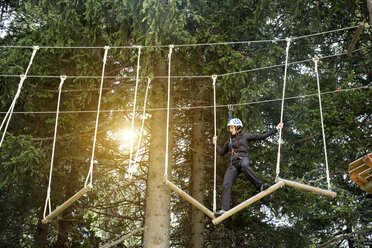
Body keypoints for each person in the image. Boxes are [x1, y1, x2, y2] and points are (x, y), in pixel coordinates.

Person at [213, 118, 283, 215]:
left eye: (232, 127)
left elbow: (262, 136)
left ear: (237, 128)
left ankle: (260, 186)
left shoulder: (246, 136)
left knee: (245, 165)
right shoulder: (229, 140)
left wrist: (276, 129)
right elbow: (221, 152)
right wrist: (215, 143)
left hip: (243, 159)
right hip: (233, 164)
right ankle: (224, 209)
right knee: (226, 184)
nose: (230, 130)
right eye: (229, 128)